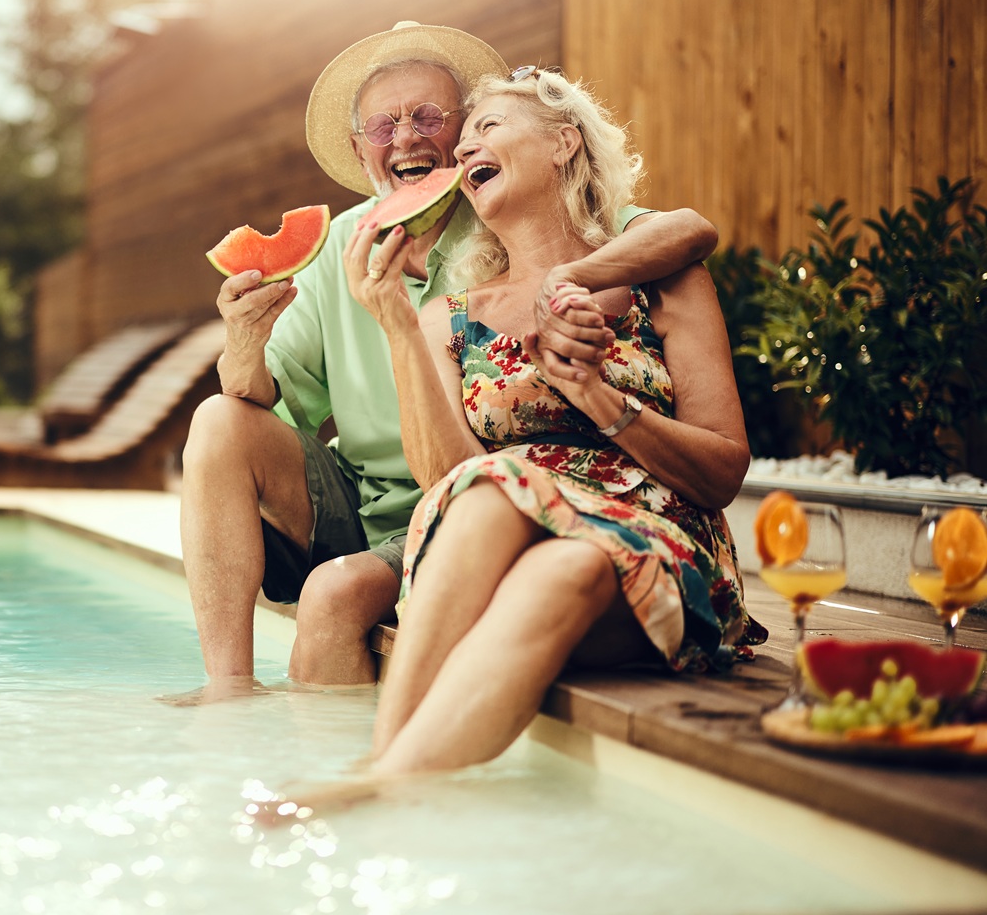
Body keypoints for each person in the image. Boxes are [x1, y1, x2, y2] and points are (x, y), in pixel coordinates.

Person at [177, 23, 722, 698]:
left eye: (429, 117)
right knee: (217, 419)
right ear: (359, 149)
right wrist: (243, 338)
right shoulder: (343, 242)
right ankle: (226, 686)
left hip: (473, 498)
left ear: (463, 136)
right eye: (383, 125)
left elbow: (686, 231)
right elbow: (251, 391)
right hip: (371, 502)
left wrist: (565, 279)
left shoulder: (505, 208)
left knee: (338, 593)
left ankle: (379, 766)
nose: (406, 137)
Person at [318, 65, 766, 794]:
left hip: (659, 549)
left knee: (564, 546)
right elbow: (445, 478)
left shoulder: (661, 275)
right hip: (500, 547)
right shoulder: (450, 318)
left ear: (563, 142)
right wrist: (397, 320)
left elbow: (722, 471)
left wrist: (595, 393)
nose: (464, 153)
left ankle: (373, 776)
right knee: (521, 517)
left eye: (486, 129)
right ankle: (385, 778)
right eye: (461, 147)